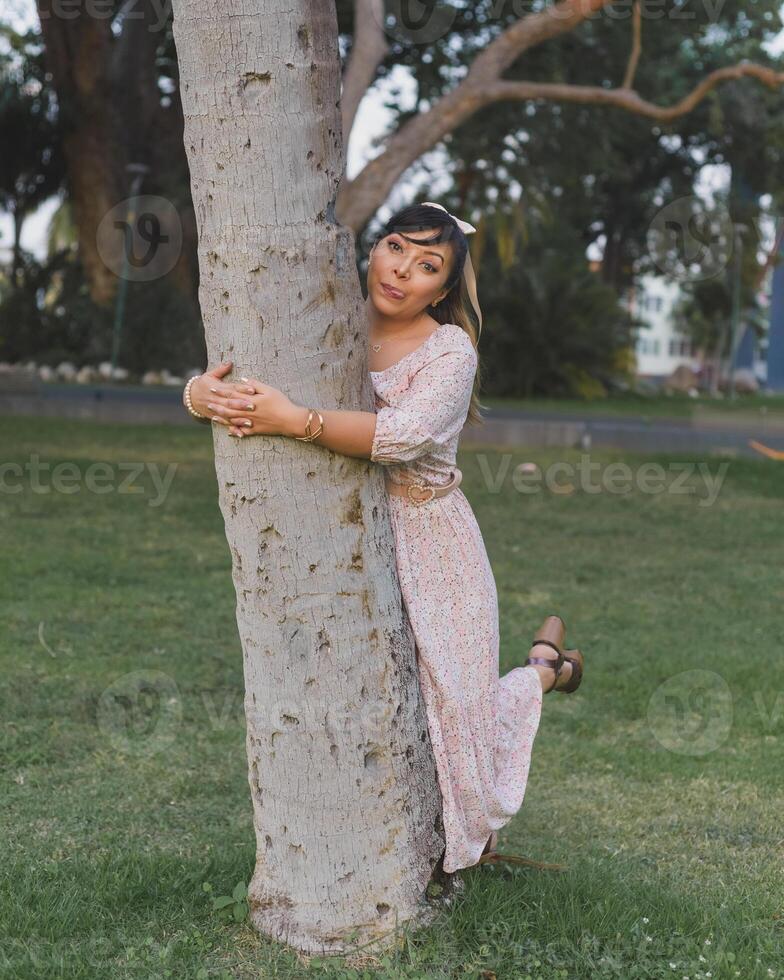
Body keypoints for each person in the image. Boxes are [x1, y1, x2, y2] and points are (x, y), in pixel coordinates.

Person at [182, 202, 584, 873]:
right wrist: (201, 395)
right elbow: (230, 372)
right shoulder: (327, 313)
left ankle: (545, 671)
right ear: (374, 248)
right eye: (397, 248)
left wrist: (291, 419)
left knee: (459, 715)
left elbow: (400, 438)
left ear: (445, 290)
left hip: (434, 541)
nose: (403, 271)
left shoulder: (450, 350)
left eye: (429, 266)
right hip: (343, 537)